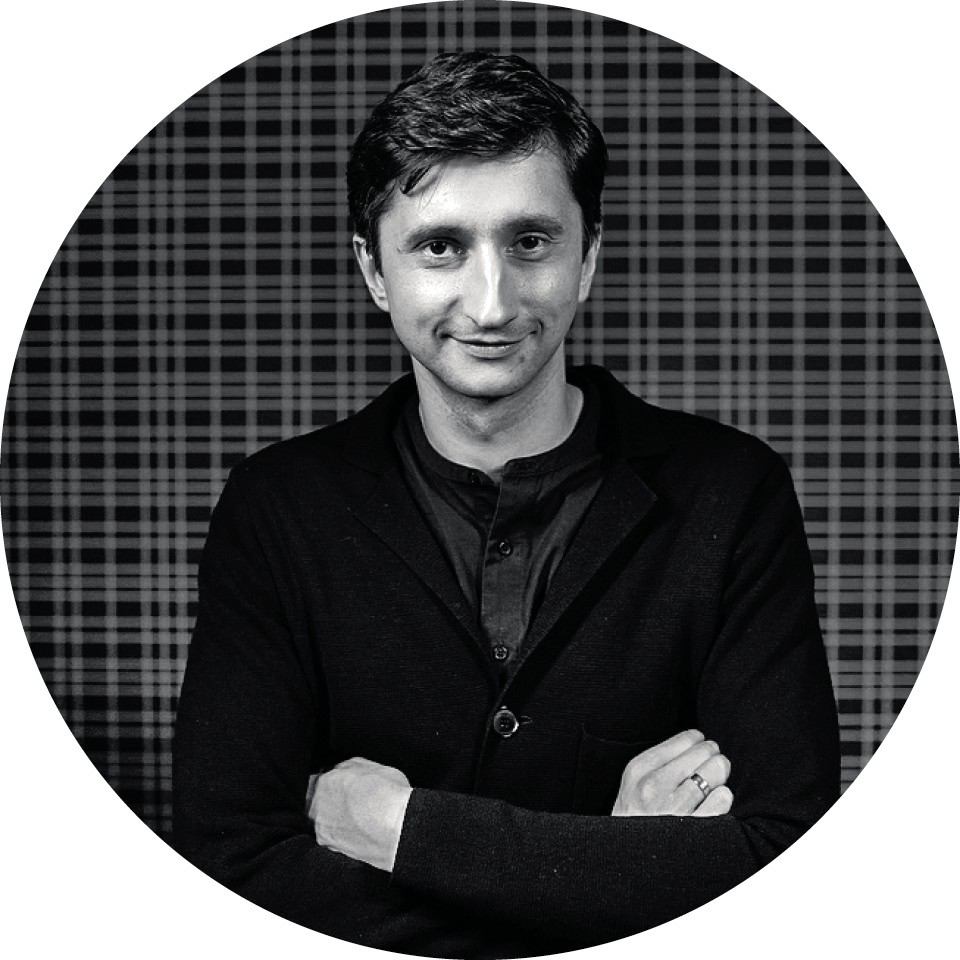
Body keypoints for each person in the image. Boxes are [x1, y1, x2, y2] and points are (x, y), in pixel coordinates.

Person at [173, 51, 839, 957]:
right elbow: (231, 866)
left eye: (530, 242)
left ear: (587, 255)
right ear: (374, 270)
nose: (490, 306)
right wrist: (608, 868)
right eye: (439, 247)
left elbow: (782, 859)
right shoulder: (276, 508)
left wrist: (403, 831)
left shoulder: (732, 492)